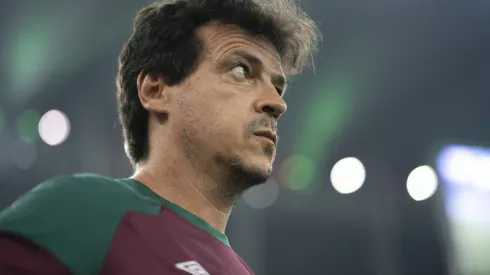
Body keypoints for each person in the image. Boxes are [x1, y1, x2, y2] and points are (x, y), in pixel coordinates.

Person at [0, 0, 319, 274]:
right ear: (156, 91)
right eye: (240, 70)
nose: (277, 104)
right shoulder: (83, 211)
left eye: (278, 87)